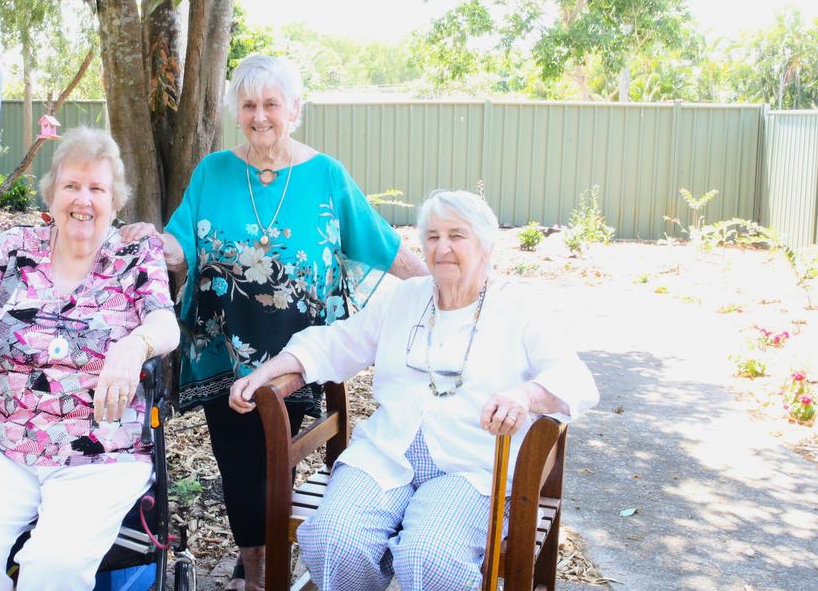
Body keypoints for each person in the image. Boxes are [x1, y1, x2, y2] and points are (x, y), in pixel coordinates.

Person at [122, 54, 428, 589]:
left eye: (270, 104)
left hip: (300, 350)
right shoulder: (213, 170)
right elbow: (180, 245)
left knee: (272, 457)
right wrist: (149, 240)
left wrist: (443, 290)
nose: (259, 116)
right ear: (236, 112)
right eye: (248, 105)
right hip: (221, 345)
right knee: (239, 462)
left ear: (294, 110)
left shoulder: (326, 175)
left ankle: (262, 559)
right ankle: (260, 569)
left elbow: (381, 242)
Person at [229, 189, 600, 591]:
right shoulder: (405, 298)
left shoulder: (519, 307)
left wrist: (525, 396)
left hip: (472, 468)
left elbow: (575, 380)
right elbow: (339, 342)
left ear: (486, 245)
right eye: (432, 236)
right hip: (387, 453)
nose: (442, 248)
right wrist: (270, 371)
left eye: (457, 236)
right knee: (333, 539)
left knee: (430, 557)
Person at [0, 127, 180, 591]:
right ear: (52, 193)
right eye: (71, 186)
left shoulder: (135, 254)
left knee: (54, 563)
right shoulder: (14, 250)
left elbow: (164, 325)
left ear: (115, 201)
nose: (83, 200)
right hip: (10, 445)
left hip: (104, 452)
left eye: (96, 188)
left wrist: (133, 346)